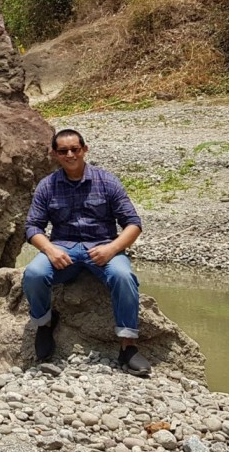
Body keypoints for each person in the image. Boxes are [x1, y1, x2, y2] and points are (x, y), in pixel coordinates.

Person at [23, 128, 151, 377]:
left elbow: (133, 224)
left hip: (102, 246)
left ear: (84, 149)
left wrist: (112, 248)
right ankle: (45, 324)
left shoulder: (107, 181)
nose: (70, 154)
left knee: (124, 277)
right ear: (54, 154)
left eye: (75, 149)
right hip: (63, 248)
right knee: (34, 273)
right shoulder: (47, 186)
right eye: (63, 151)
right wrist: (49, 249)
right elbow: (32, 227)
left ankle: (128, 346)